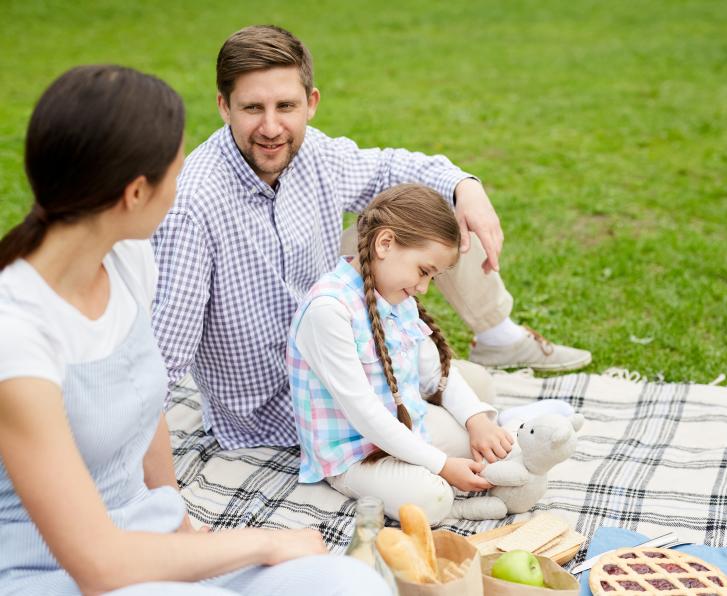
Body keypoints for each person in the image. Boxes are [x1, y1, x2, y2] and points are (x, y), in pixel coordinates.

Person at [0, 65, 388, 596]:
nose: (186, 185)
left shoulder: (127, 258)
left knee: (350, 584)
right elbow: (97, 565)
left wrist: (175, 517)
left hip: (148, 542)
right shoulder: (16, 332)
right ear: (136, 193)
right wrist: (266, 542)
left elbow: (147, 395)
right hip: (53, 574)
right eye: (176, 173)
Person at [151, 24, 590, 450]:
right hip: (284, 405)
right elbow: (165, 353)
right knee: (463, 428)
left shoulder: (313, 152)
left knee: (434, 221)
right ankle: (520, 431)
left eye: (285, 106)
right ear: (224, 106)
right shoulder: (191, 205)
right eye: (252, 109)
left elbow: (387, 169)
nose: (270, 127)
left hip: (349, 347)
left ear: (311, 103)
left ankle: (498, 337)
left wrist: (464, 186)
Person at [287, 184, 575, 524]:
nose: (424, 287)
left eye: (432, 276)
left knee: (490, 449)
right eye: (424, 271)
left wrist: (475, 421)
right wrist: (440, 465)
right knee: (431, 497)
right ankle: (453, 504)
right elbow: (365, 414)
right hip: (355, 455)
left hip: (409, 424)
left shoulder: (395, 296)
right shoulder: (329, 310)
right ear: (385, 243)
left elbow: (436, 371)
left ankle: (505, 424)